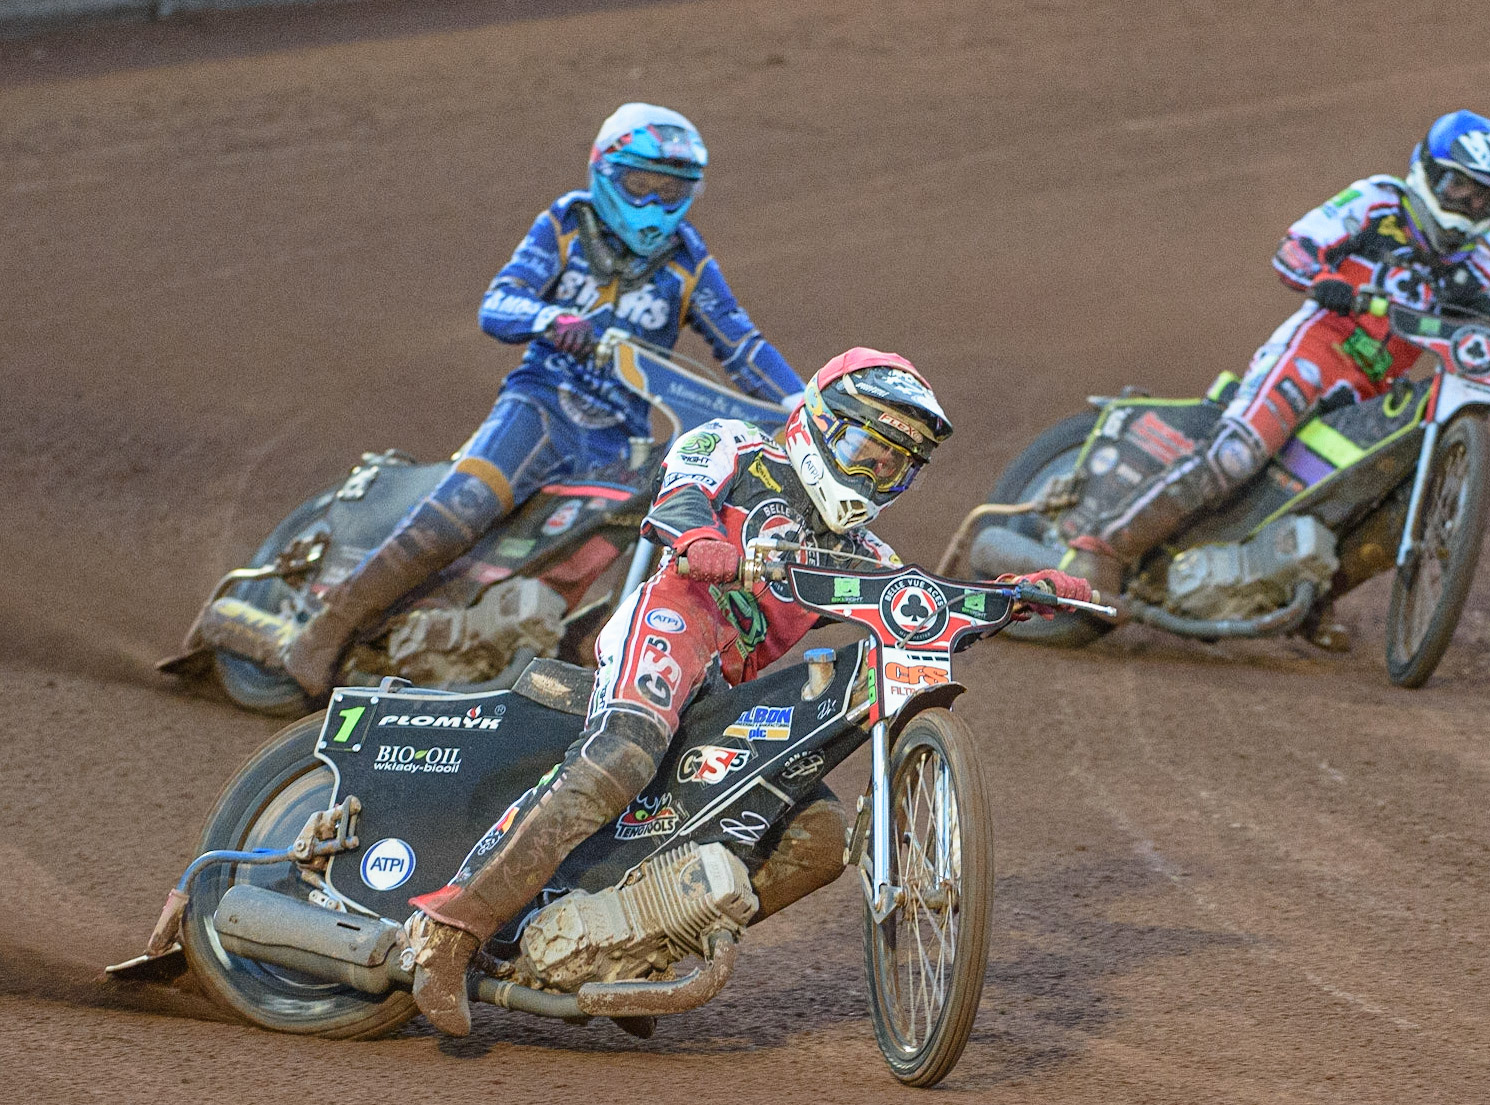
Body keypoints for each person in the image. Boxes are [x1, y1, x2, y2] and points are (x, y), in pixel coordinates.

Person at [402, 348, 1091, 1035]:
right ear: (817, 423)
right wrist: (702, 538)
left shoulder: (862, 553)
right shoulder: (734, 445)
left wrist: (1018, 596)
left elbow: (920, 607)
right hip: (673, 621)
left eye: (892, 467)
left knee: (818, 840)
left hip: (726, 687)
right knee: (624, 751)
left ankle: (633, 944)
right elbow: (677, 494)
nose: (871, 476)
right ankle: (450, 929)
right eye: (863, 451)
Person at [231, 102, 805, 695]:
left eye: (674, 191)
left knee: (656, 531)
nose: (657, 204)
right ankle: (324, 633)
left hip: (617, 441)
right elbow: (499, 303)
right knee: (465, 509)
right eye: (642, 185)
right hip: (540, 408)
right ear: (606, 172)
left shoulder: (689, 261)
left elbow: (743, 347)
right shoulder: (566, 224)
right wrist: (549, 318)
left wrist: (802, 407)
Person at [1064, 110, 1490, 613]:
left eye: (1486, 199)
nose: (1470, 206)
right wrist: (1324, 279)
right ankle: (1101, 550)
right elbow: (1296, 247)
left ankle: (1310, 600)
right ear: (1427, 170)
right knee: (1238, 453)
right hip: (1313, 351)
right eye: (1460, 187)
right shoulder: (1378, 201)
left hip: (1371, 391)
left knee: (1383, 495)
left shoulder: (1480, 259)